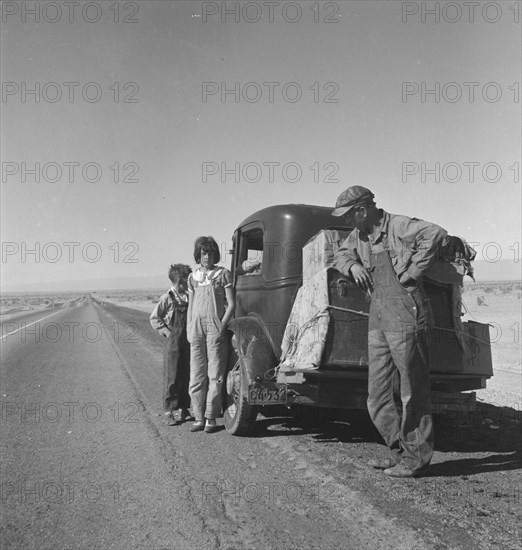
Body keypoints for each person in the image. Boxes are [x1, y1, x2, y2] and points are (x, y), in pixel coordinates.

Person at [332, 186, 447, 478]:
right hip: (379, 315)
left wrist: (411, 273)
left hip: (406, 312)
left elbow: (435, 233)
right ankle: (400, 452)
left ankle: (416, 459)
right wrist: (353, 266)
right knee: (377, 395)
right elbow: (340, 255)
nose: (347, 221)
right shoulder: (358, 236)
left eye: (349, 215)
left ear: (362, 210)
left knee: (413, 391)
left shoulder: (396, 225)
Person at [187, 236, 235, 433]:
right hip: (196, 329)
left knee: (215, 374)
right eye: (204, 253)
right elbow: (190, 306)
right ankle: (198, 417)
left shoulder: (222, 274)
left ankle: (211, 418)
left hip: (215, 326)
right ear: (198, 254)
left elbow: (232, 304)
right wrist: (190, 329)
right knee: (196, 374)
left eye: (211, 253)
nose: (207, 257)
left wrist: (222, 326)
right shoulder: (193, 277)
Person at [150, 264, 193, 426]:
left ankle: (183, 408)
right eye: (187, 280)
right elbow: (154, 318)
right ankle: (169, 410)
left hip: (187, 342)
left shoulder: (189, 297)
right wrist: (168, 333)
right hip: (173, 343)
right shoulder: (166, 298)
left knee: (186, 374)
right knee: (172, 376)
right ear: (180, 281)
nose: (189, 283)